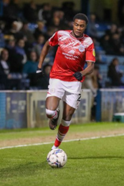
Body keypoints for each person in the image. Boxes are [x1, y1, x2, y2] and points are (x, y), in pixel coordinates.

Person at [36, 13, 95, 150]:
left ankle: (55, 147)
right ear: (72, 24)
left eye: (82, 26)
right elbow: (46, 45)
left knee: (67, 116)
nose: (79, 28)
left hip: (74, 82)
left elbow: (91, 65)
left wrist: (82, 73)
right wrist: (39, 66)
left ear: (85, 27)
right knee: (49, 112)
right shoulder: (60, 35)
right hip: (57, 77)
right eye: (76, 25)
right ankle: (54, 116)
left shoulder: (88, 42)